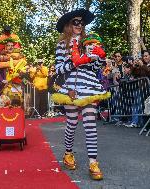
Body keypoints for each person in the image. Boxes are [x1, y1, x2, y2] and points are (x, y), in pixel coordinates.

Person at [52, 9, 110, 180]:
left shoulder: (89, 42)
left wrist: (98, 57)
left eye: (82, 22)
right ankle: (68, 153)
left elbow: (95, 68)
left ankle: (93, 162)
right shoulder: (62, 45)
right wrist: (74, 61)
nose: (80, 25)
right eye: (76, 22)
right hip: (71, 88)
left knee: (90, 124)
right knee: (71, 124)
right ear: (68, 25)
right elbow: (59, 69)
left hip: (89, 88)